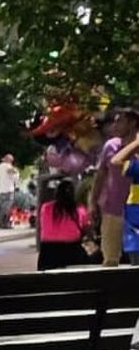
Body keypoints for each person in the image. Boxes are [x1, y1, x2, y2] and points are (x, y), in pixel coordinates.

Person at [89, 108, 139, 267]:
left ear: (133, 123)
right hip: (112, 209)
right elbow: (100, 176)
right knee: (110, 259)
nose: (114, 126)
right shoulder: (110, 146)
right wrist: (93, 202)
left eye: (120, 122)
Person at [36, 178, 91, 270]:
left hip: (48, 252)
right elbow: (87, 229)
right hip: (73, 251)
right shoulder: (79, 210)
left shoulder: (45, 208)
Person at [0, 153, 21, 228]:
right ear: (8, 160)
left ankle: (2, 223)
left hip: (1, 190)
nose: (11, 162)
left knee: (3, 207)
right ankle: (4, 223)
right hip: (8, 189)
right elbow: (14, 175)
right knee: (6, 208)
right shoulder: (8, 166)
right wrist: (16, 173)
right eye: (11, 160)